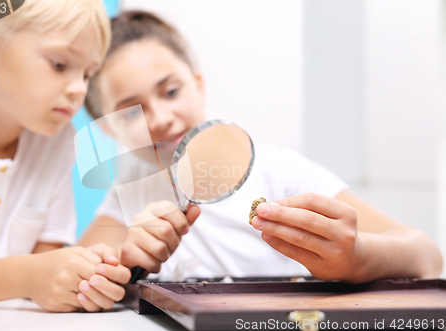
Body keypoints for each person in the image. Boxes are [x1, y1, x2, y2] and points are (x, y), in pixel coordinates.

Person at [80, 10, 443, 283]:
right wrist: (126, 259)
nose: (159, 118)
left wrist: (358, 256)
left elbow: (427, 255)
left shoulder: (276, 171)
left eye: (171, 91)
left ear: (199, 85)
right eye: (130, 113)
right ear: (110, 131)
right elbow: (83, 266)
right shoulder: (129, 194)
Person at [0, 0, 130, 313]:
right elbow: (35, 273)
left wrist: (85, 273)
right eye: (59, 64)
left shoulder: (57, 143)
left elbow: (47, 267)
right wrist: (27, 276)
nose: (78, 90)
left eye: (87, 75)